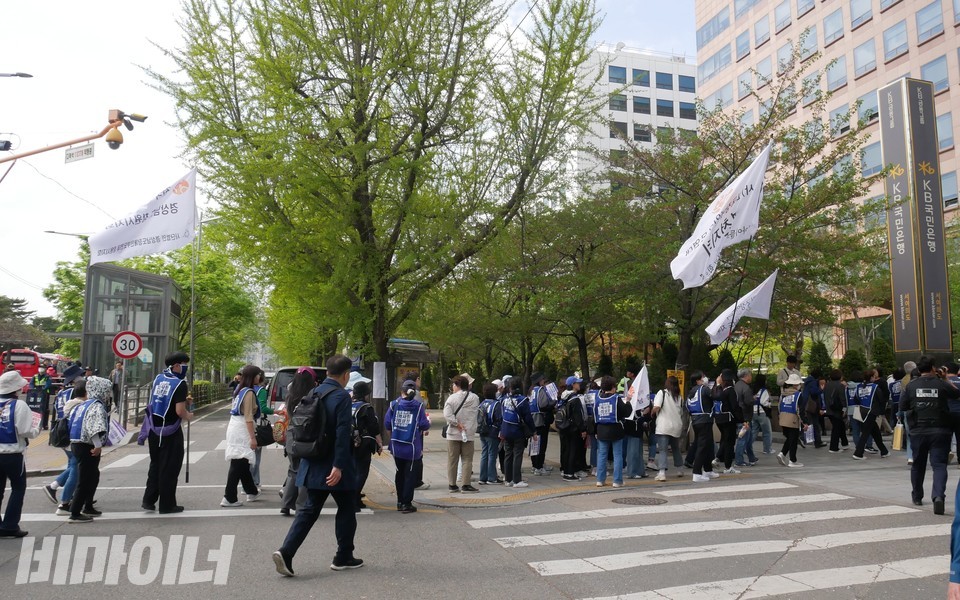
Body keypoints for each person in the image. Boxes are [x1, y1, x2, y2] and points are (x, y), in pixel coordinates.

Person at [273, 355, 363, 577]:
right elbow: (343, 432)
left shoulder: (313, 392)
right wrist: (339, 466)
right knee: (347, 507)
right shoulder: (341, 396)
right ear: (346, 374)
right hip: (333, 464)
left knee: (309, 509)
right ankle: (343, 556)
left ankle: (286, 551)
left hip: (312, 460)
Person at [901, 356, 960, 515]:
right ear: (933, 368)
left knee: (918, 465)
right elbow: (956, 394)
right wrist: (945, 379)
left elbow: (903, 406)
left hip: (918, 430)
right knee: (939, 465)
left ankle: (917, 496)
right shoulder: (941, 384)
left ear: (919, 370)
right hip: (940, 430)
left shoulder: (911, 386)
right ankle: (938, 496)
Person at [140, 352, 194, 514]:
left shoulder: (158, 378)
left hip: (154, 430)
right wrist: (188, 415)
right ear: (176, 365)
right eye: (185, 364)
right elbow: (179, 411)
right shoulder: (179, 383)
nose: (186, 368)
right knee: (170, 468)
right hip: (170, 431)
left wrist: (184, 401)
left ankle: (148, 500)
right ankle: (167, 504)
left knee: (156, 465)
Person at [0, 370, 39, 537]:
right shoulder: (19, 405)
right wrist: (36, 431)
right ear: (16, 389)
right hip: (13, 454)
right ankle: (9, 525)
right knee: (18, 488)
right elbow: (24, 431)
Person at [68, 376, 112, 523]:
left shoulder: (83, 404)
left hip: (76, 443)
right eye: (106, 390)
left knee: (92, 475)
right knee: (86, 478)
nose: (108, 393)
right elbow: (94, 427)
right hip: (88, 445)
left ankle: (88, 505)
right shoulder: (97, 406)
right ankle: (75, 512)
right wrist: (98, 445)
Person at [42, 364, 84, 509]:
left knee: (72, 464)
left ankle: (69, 494)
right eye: (81, 375)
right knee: (75, 467)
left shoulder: (61, 393)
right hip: (71, 431)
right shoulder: (74, 392)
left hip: (61, 432)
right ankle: (61, 495)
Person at [385, 379, 431, 513]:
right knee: (410, 475)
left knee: (399, 473)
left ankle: (399, 501)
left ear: (402, 391)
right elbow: (424, 425)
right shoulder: (418, 406)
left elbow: (387, 424)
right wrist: (428, 422)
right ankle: (406, 503)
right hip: (412, 447)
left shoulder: (394, 404)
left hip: (397, 445)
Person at [221, 365, 263, 507]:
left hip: (234, 426)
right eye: (257, 375)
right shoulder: (249, 393)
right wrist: (252, 438)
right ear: (252, 376)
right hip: (243, 428)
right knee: (238, 462)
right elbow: (249, 417)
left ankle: (251, 490)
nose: (259, 377)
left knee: (242, 461)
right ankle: (229, 496)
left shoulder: (240, 390)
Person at [280, 367, 316, 516]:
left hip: (291, 434)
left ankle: (286, 504)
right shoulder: (312, 396)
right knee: (305, 470)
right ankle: (302, 506)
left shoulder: (290, 394)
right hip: (305, 436)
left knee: (293, 470)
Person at [444, 375, 480, 493]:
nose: (452, 387)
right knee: (467, 459)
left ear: (458, 385)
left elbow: (447, 414)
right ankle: (466, 484)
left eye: (454, 385)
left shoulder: (451, 398)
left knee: (452, 460)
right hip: (468, 433)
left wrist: (456, 423)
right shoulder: (475, 398)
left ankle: (452, 485)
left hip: (453, 434)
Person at [594, 375, 631, 488]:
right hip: (616, 430)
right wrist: (628, 401)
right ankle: (617, 481)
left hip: (601, 429)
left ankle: (600, 480)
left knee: (602, 455)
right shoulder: (616, 398)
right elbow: (626, 412)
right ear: (613, 387)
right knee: (617, 455)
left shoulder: (598, 398)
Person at [500, 377, 536, 488]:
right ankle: (517, 480)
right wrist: (533, 431)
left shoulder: (504, 399)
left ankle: (508, 479)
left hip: (506, 429)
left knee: (508, 454)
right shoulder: (522, 400)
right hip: (517, 431)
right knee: (517, 455)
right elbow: (528, 418)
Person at [351, 381, 381, 510]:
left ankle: (356, 499)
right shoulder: (366, 408)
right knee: (361, 472)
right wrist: (379, 443)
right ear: (364, 394)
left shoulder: (349, 405)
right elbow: (373, 427)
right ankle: (353, 500)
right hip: (363, 443)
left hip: (349, 442)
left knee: (353, 471)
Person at [851, 368, 890, 460]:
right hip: (871, 411)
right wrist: (881, 410)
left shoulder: (859, 386)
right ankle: (858, 453)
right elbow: (881, 399)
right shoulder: (875, 387)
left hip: (862, 411)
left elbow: (855, 399)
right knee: (865, 433)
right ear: (872, 377)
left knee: (875, 432)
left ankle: (884, 451)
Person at [653, 375, 685, 481]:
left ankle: (662, 473)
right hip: (676, 426)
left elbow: (657, 406)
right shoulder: (679, 397)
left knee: (663, 450)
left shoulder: (662, 393)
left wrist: (652, 412)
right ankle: (680, 469)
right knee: (676, 449)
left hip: (664, 426)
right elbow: (681, 412)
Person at [687, 371, 717, 482]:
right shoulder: (703, 389)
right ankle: (697, 473)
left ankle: (708, 470)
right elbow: (715, 396)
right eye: (703, 377)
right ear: (698, 380)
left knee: (708, 445)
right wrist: (717, 385)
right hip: (705, 420)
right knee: (702, 446)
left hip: (695, 420)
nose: (705, 378)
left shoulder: (691, 391)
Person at [557, 376, 587, 482]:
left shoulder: (563, 396)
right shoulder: (574, 399)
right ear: (573, 384)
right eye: (578, 383)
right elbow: (578, 417)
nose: (579, 385)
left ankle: (565, 471)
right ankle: (570, 473)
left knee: (566, 450)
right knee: (572, 450)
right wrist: (583, 429)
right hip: (573, 428)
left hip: (564, 427)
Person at [528, 373, 556, 476]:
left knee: (534, 443)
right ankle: (539, 466)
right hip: (541, 419)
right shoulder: (541, 390)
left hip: (532, 419)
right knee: (541, 444)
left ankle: (534, 465)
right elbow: (543, 404)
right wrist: (553, 402)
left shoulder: (531, 390)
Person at [713, 370, 741, 474]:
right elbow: (735, 407)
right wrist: (742, 420)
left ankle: (716, 459)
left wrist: (718, 384)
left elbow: (714, 396)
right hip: (729, 419)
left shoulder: (719, 390)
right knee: (729, 442)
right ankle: (728, 467)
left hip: (719, 418)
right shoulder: (730, 391)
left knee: (724, 440)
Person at [777, 373, 807, 468]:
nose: (799, 385)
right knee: (793, 440)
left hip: (783, 419)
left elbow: (779, 407)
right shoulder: (798, 395)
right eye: (799, 384)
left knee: (790, 438)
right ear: (795, 385)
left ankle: (782, 453)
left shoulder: (783, 394)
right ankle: (792, 460)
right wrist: (805, 422)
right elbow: (801, 410)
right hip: (793, 419)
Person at [478, 382, 503, 485]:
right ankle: (491, 477)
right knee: (492, 454)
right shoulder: (496, 404)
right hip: (492, 432)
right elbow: (499, 419)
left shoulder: (482, 403)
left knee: (484, 453)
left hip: (482, 431)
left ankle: (482, 477)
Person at [251, 369, 272, 488]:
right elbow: (263, 408)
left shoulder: (241, 390)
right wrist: (275, 411)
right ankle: (253, 483)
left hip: (242, 425)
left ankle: (252, 482)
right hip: (257, 425)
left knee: (247, 456)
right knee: (256, 456)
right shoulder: (261, 391)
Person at [734, 368, 758, 467]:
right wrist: (754, 399)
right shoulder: (746, 388)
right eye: (750, 375)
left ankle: (752, 457)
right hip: (745, 417)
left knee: (748, 438)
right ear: (746, 376)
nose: (751, 377)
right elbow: (749, 402)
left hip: (738, 415)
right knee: (743, 439)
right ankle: (739, 460)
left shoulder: (736, 385)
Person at [823, 369, 849, 453]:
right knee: (837, 428)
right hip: (837, 410)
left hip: (829, 409)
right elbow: (842, 399)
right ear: (840, 376)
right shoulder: (840, 385)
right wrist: (844, 409)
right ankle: (833, 447)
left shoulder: (826, 385)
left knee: (840, 425)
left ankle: (845, 444)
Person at [752, 374, 774, 455]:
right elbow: (763, 402)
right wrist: (769, 404)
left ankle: (747, 447)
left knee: (754, 431)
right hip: (762, 413)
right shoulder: (764, 390)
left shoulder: (754, 390)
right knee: (767, 432)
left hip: (753, 412)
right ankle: (767, 449)